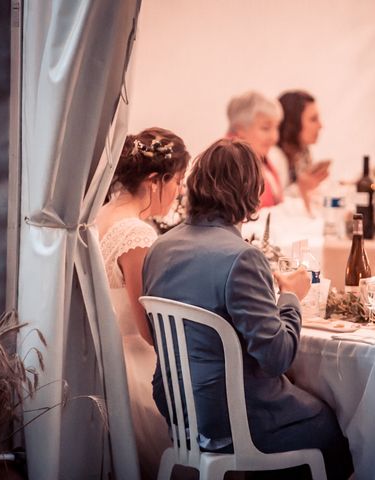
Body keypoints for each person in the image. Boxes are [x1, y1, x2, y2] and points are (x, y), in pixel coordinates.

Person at [143, 138, 354, 480]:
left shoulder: (160, 248)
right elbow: (277, 357)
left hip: (179, 410)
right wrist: (290, 297)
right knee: (334, 425)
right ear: (250, 192)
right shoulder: (241, 256)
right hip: (233, 415)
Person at [96, 127, 190, 478]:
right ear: (154, 181)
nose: (179, 192)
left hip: (106, 356)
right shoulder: (136, 233)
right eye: (177, 181)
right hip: (134, 365)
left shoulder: (102, 213)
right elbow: (149, 329)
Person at [269, 90, 330, 213]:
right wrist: (301, 188)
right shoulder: (275, 156)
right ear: (293, 123)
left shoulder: (303, 153)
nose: (320, 125)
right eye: (313, 119)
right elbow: (271, 207)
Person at [227, 90, 284, 208]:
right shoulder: (230, 164)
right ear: (240, 129)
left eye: (276, 127)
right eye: (265, 128)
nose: (274, 137)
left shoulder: (259, 156)